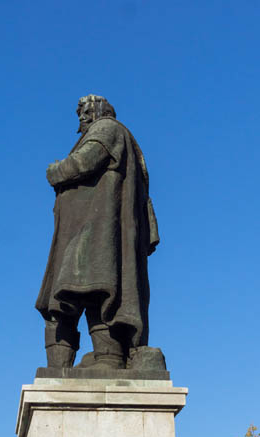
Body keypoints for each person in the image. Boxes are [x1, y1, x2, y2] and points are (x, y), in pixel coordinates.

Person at [36, 94, 161, 371]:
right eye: (79, 111)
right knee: (79, 292)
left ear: (101, 110)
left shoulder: (107, 128)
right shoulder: (101, 131)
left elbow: (83, 162)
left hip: (98, 231)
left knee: (94, 289)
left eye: (86, 110)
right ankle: (81, 363)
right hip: (85, 228)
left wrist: (55, 170)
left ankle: (109, 356)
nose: (82, 116)